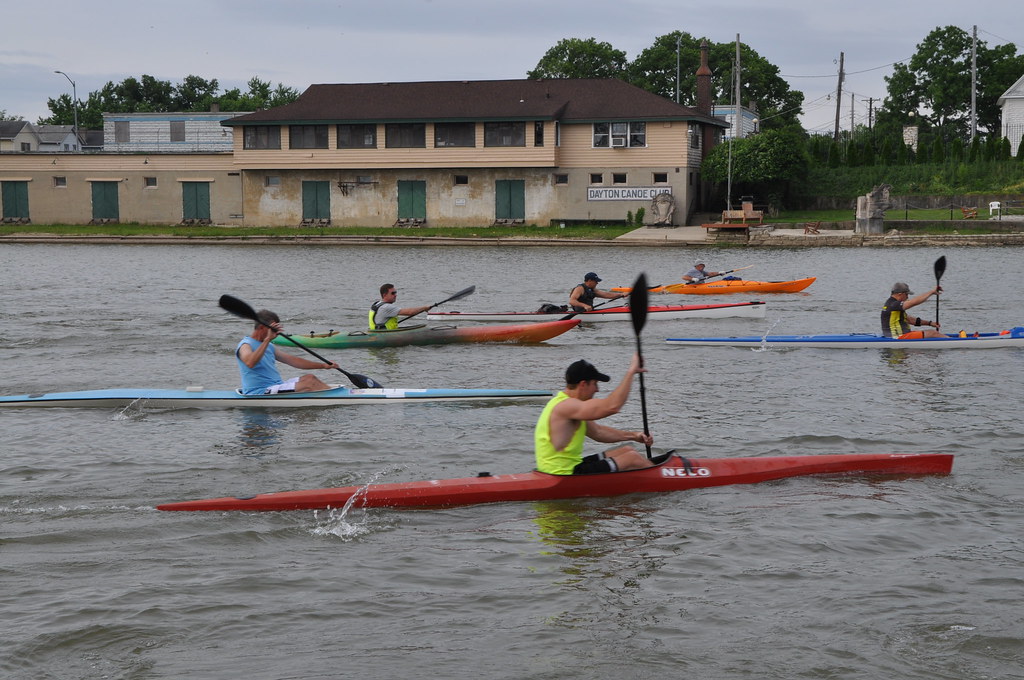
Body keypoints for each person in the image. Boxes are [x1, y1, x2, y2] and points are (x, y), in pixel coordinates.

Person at [534, 355, 655, 475]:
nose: (597, 389)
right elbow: (612, 406)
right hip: (563, 474)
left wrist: (634, 436)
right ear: (583, 384)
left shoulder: (567, 405)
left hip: (567, 467)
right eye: (595, 383)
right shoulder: (566, 406)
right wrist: (631, 371)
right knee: (633, 458)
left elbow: (598, 432)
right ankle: (662, 478)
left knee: (628, 450)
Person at [236, 310, 339, 395]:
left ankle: (336, 396)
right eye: (273, 329)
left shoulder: (269, 346)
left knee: (310, 377)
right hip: (260, 391)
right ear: (262, 327)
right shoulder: (245, 345)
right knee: (309, 383)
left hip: (276, 385)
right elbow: (250, 363)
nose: (276, 332)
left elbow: (294, 361)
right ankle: (336, 400)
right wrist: (267, 340)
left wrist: (323, 365)